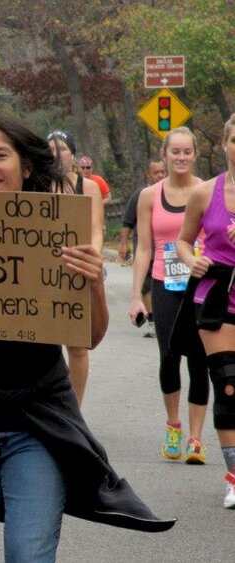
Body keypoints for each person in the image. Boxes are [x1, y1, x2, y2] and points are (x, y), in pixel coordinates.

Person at [0, 115, 174, 563]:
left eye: (0, 155)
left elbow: (91, 338)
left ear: (25, 167)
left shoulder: (57, 229)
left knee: (30, 554)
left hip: (37, 425)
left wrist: (92, 280)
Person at [128, 126, 209, 465]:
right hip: (164, 283)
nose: (180, 157)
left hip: (203, 283)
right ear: (164, 154)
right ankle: (173, 426)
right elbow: (144, 248)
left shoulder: (207, 191)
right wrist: (135, 296)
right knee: (169, 357)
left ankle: (195, 438)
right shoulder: (150, 195)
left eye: (186, 152)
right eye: (174, 151)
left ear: (195, 155)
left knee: (201, 360)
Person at [176, 113, 235, 507]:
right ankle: (234, 477)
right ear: (225, 144)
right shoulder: (204, 193)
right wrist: (190, 260)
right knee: (228, 384)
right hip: (217, 295)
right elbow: (184, 240)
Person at [47, 130, 105, 406]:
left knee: (78, 346)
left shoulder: (88, 187)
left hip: (77, 269)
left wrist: (91, 261)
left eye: (62, 149)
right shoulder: (37, 184)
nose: (57, 154)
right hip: (45, 272)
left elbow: (96, 230)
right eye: (50, 150)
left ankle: (74, 409)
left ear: (72, 153)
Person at [119, 158, 167, 338]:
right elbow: (127, 223)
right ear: (149, 174)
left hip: (166, 252)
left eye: (163, 172)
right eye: (156, 173)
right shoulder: (140, 195)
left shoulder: (172, 193)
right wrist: (123, 244)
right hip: (146, 250)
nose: (160, 175)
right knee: (147, 287)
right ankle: (153, 321)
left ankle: (166, 318)